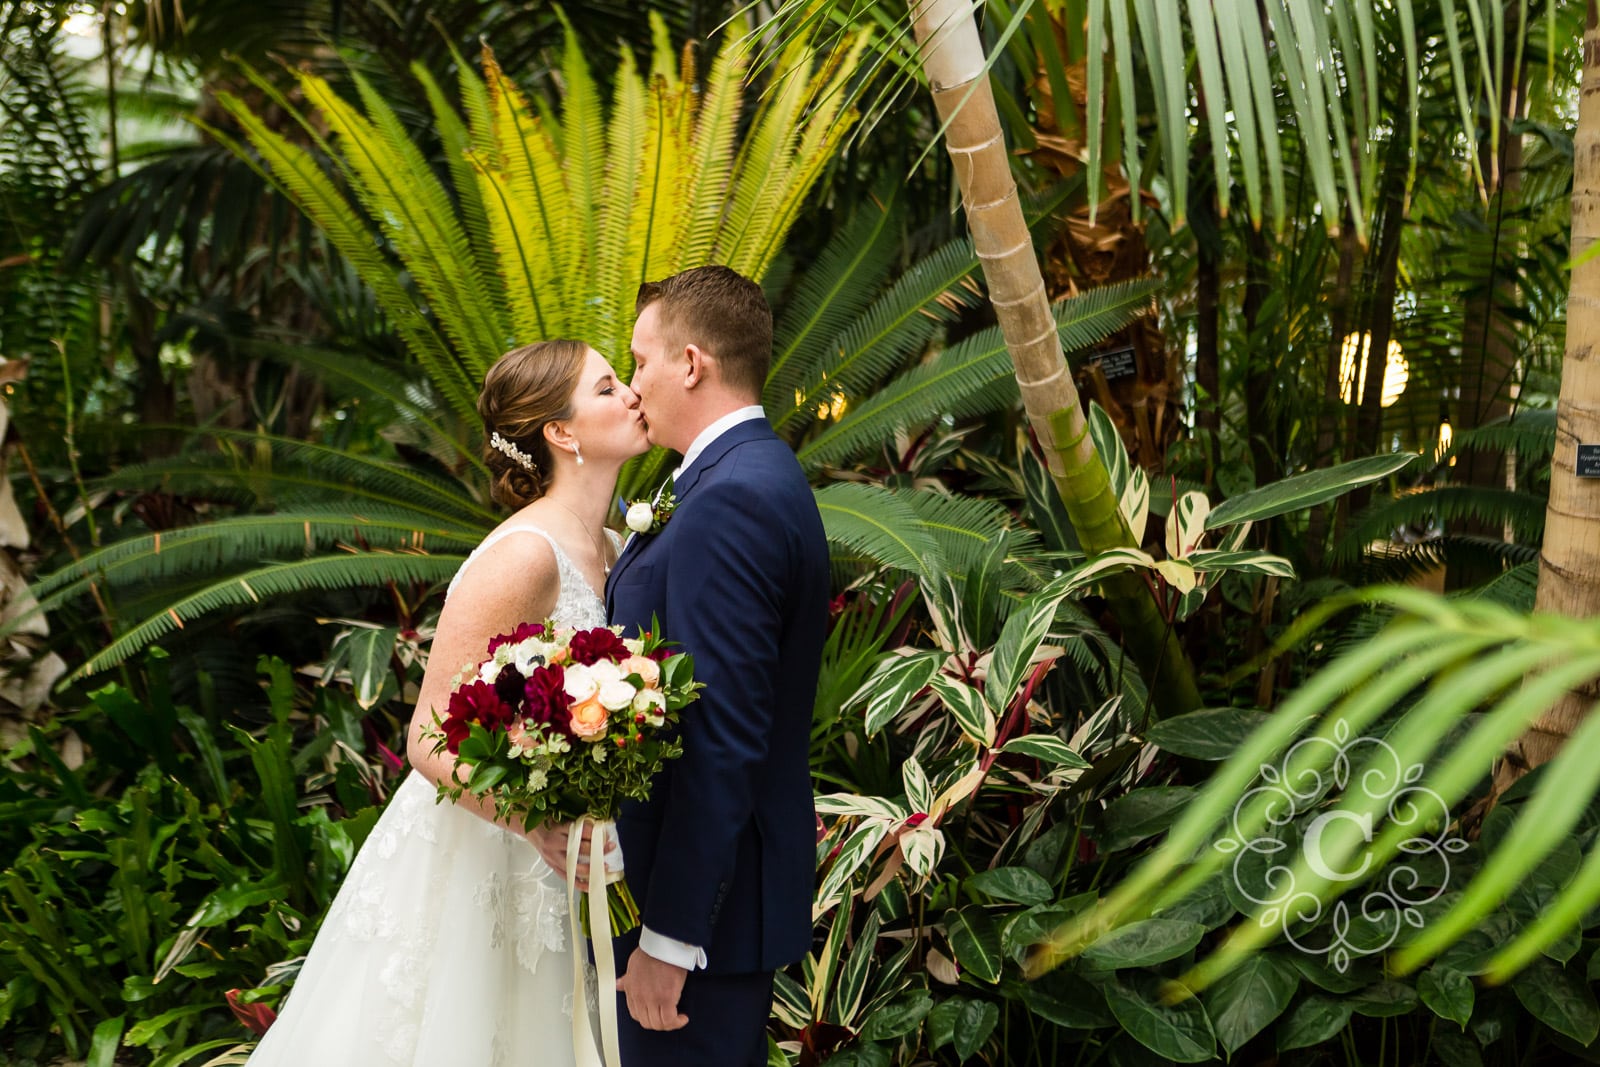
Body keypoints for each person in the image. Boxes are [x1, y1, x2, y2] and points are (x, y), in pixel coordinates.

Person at [246, 339, 649, 1066]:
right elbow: (429, 734)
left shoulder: (619, 548)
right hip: (493, 855)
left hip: (572, 864)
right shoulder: (524, 554)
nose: (633, 394)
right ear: (561, 432)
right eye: (608, 386)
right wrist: (533, 823)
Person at [605, 266, 831, 1067]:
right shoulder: (740, 473)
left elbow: (720, 733)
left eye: (639, 361)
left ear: (691, 363)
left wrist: (669, 938)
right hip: (715, 912)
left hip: (702, 928)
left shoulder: (730, 495)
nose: (632, 386)